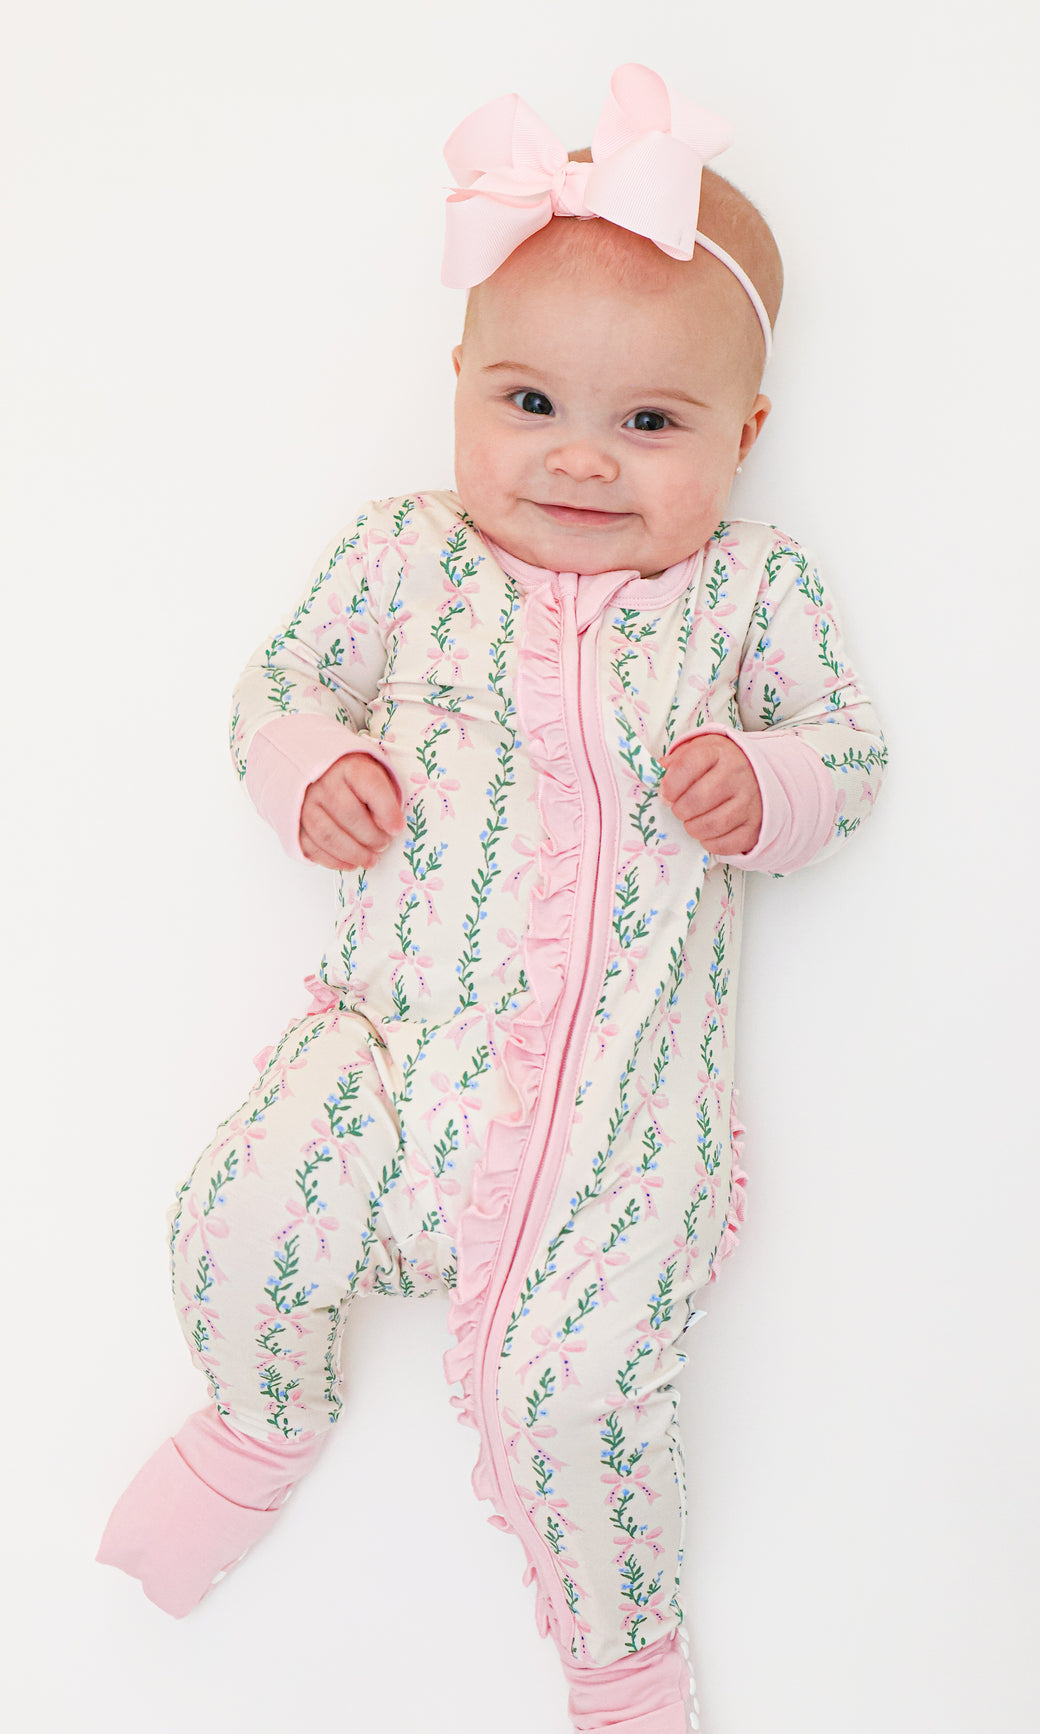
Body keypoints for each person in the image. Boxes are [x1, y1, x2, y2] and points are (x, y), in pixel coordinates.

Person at [97, 63, 887, 1734]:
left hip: (618, 1109)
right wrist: (312, 766)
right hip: (388, 1051)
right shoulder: (403, 555)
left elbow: (851, 748)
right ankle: (255, 1420)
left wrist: (770, 784)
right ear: (458, 382)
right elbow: (276, 688)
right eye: (531, 402)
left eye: (651, 424)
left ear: (745, 435)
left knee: (581, 1391)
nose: (582, 460)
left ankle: (625, 1668)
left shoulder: (749, 588)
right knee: (242, 1208)